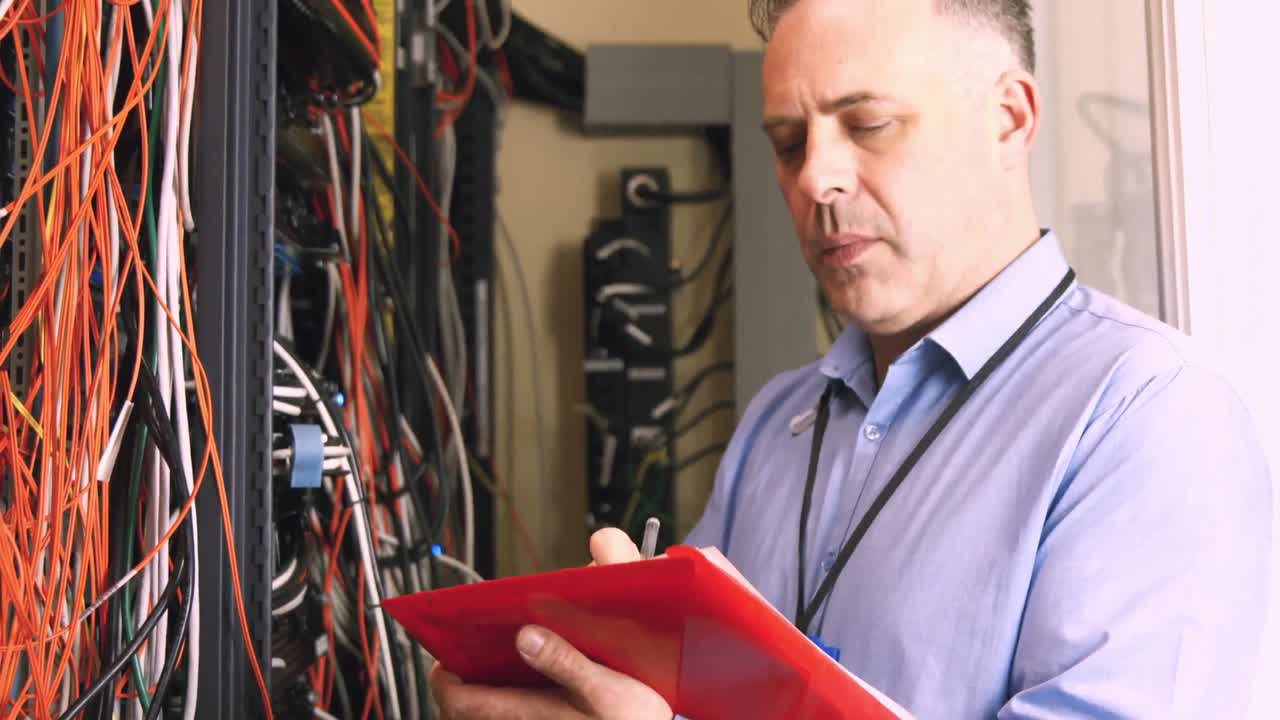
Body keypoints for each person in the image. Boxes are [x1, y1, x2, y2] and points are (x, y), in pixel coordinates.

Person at [430, 0, 1273, 717]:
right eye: (790, 141)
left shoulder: (1148, 414)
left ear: (1010, 119)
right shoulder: (778, 422)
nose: (815, 179)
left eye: (869, 124)